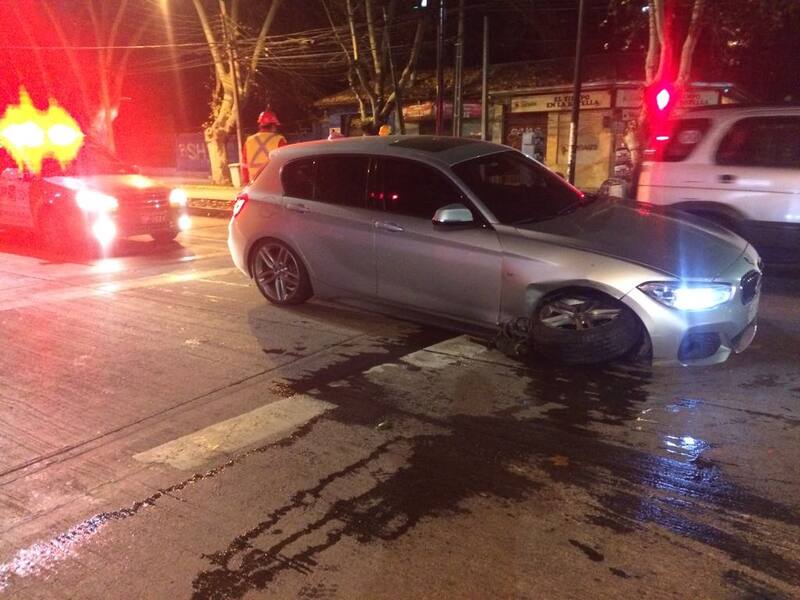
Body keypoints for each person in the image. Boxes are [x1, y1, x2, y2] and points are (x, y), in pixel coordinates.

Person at [240, 110, 287, 184]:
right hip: (273, 182)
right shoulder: (279, 140)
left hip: (254, 183)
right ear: (273, 126)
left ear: (260, 125)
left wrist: (246, 182)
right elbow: (285, 163)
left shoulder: (249, 141)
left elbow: (244, 165)